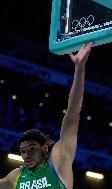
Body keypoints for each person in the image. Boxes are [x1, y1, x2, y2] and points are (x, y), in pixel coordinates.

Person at [0, 42, 94, 189]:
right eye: (23, 151)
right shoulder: (17, 176)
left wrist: (79, 68)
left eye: (32, 149)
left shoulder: (58, 162)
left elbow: (72, 114)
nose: (26, 155)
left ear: (44, 148)